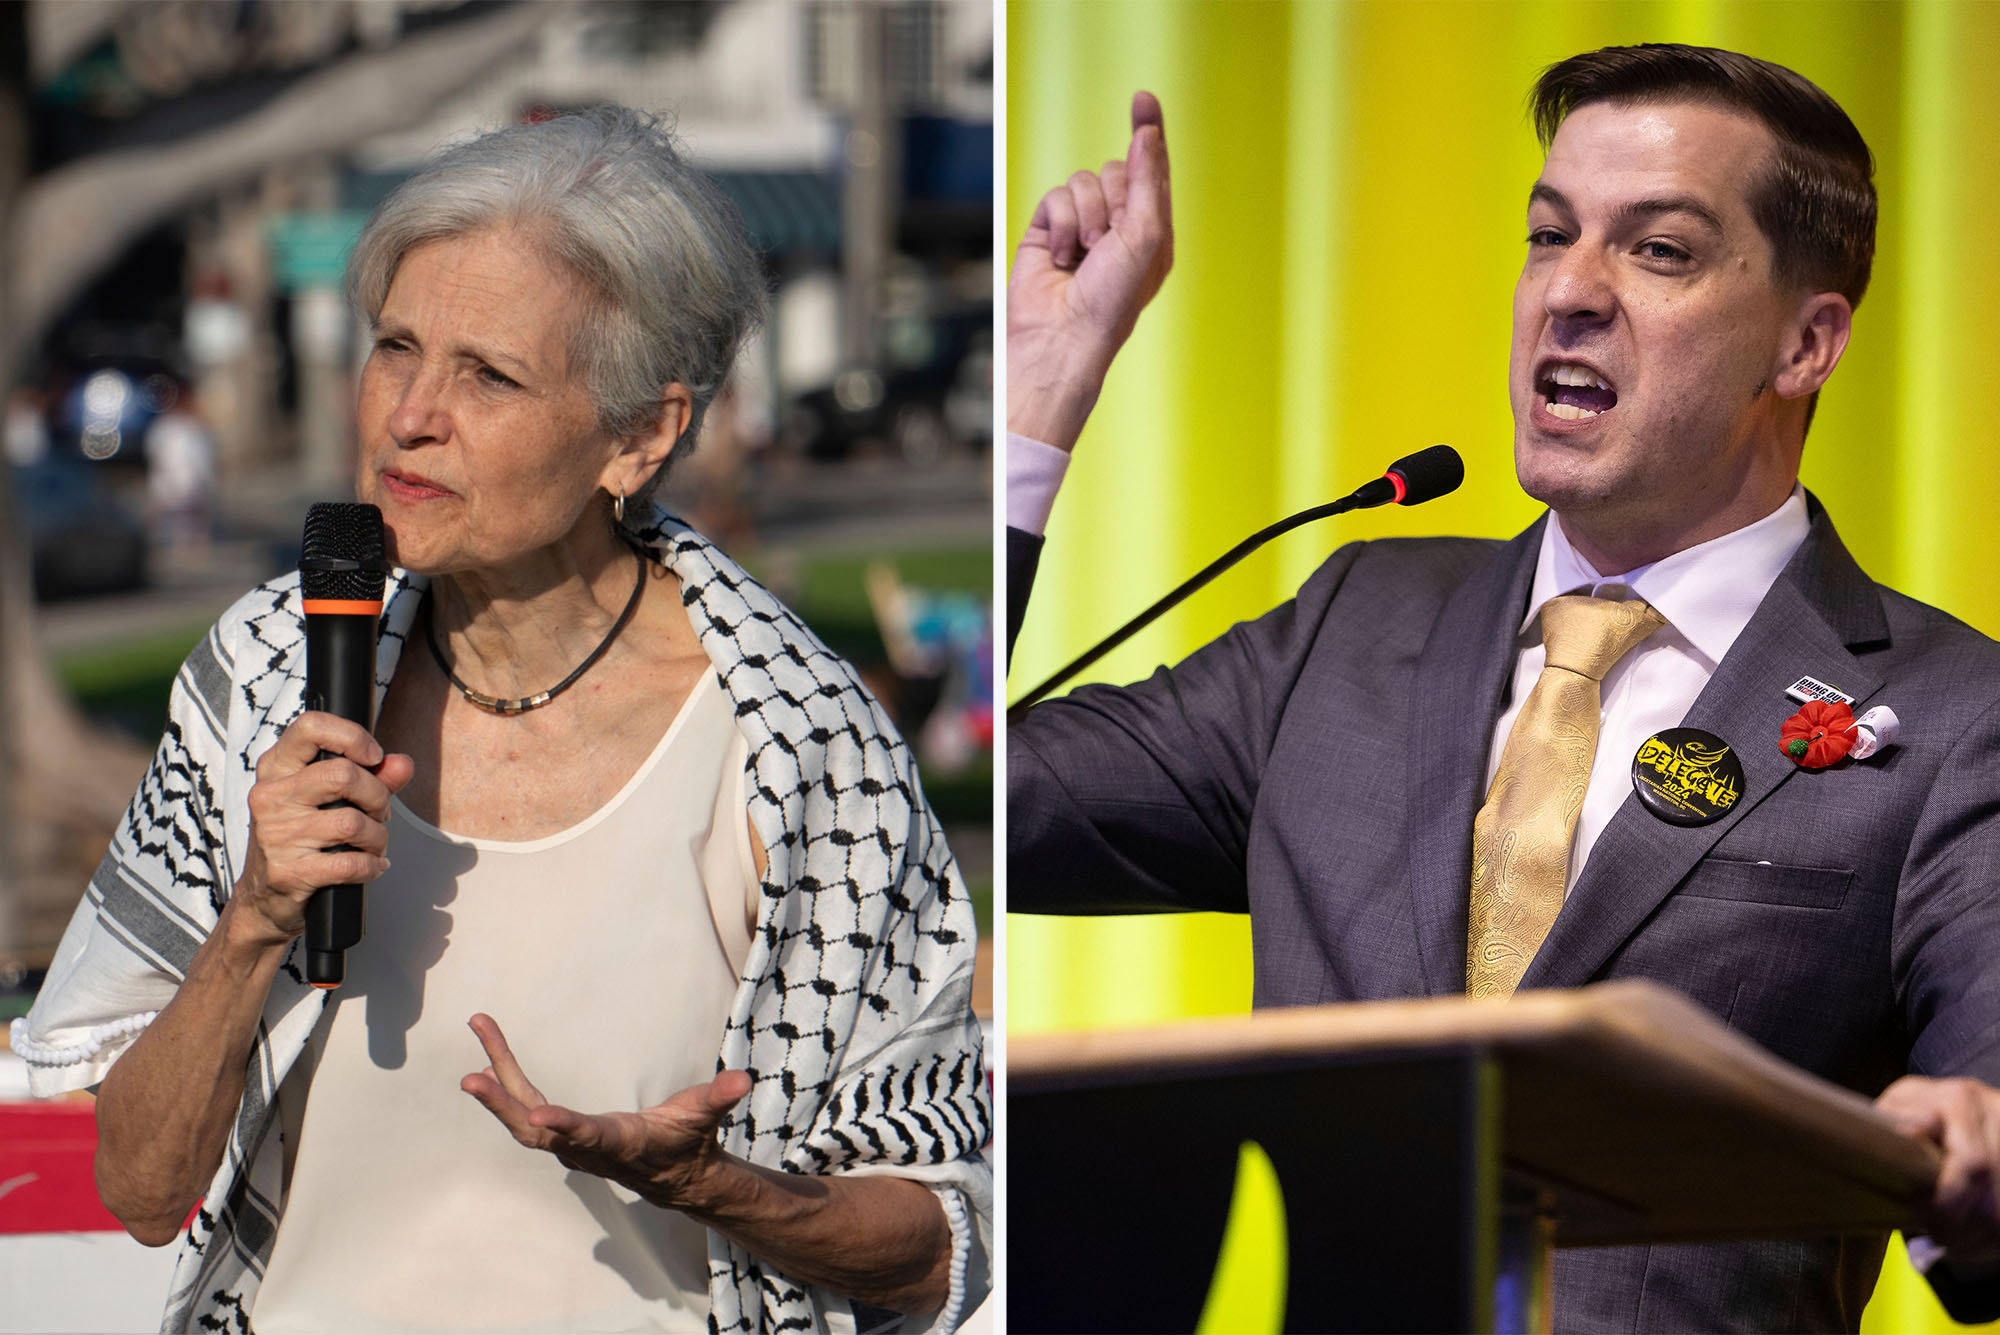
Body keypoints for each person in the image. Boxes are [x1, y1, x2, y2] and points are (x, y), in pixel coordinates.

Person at [1008, 47, 2000, 1329]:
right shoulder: (1352, 628)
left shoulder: (1948, 716)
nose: (1568, 293)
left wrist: (1972, 1141)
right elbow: (971, 808)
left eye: (1658, 252)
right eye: (1547, 235)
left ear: (1805, 343)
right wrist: (1043, 383)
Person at [16, 107, 989, 1334]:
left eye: (488, 374)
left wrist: (714, 1188)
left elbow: (937, 1248)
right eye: (396, 348)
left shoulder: (803, 750)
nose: (410, 415)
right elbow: (140, 1189)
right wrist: (258, 915)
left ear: (640, 437)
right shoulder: (267, 671)